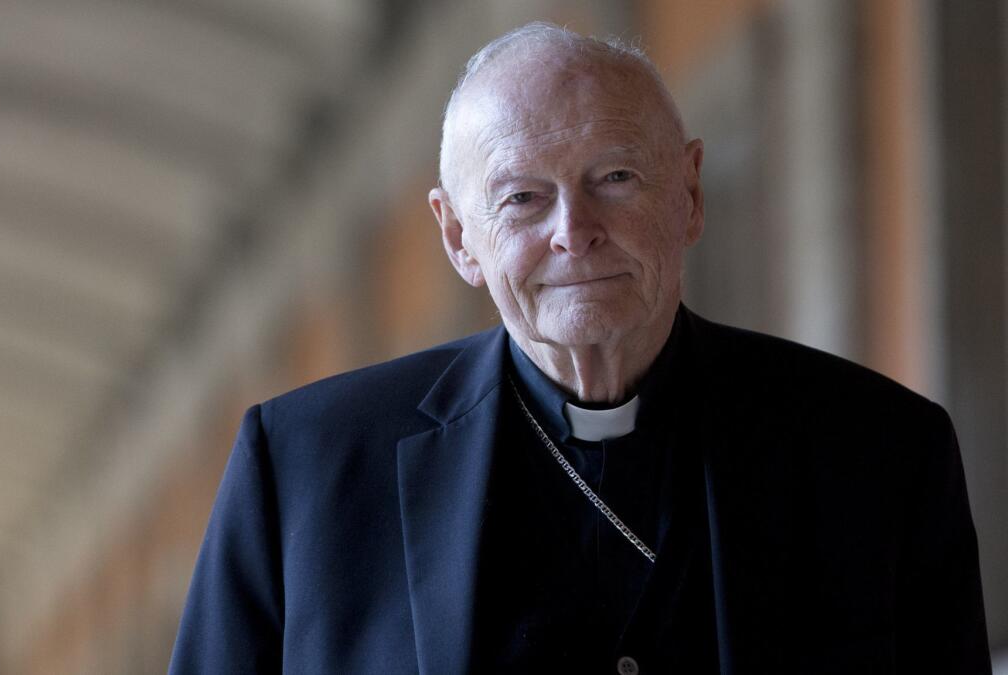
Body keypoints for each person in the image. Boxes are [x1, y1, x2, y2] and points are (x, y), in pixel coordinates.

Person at [169, 22, 990, 674]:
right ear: (458, 237)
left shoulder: (880, 452)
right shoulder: (306, 468)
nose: (575, 233)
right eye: (523, 198)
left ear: (690, 195)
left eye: (617, 179)